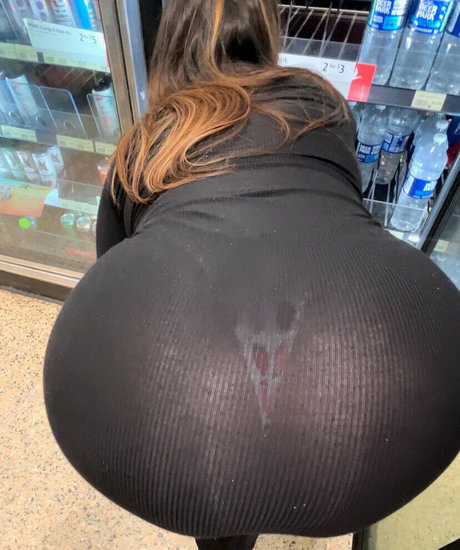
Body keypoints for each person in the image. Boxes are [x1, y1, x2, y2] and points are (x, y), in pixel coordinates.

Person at [43, 1, 460, 549]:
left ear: (168, 45)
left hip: (147, 423)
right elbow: (342, 208)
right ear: (267, 32)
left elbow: (115, 265)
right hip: (391, 408)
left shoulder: (146, 142)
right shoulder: (323, 106)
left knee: (210, 494)